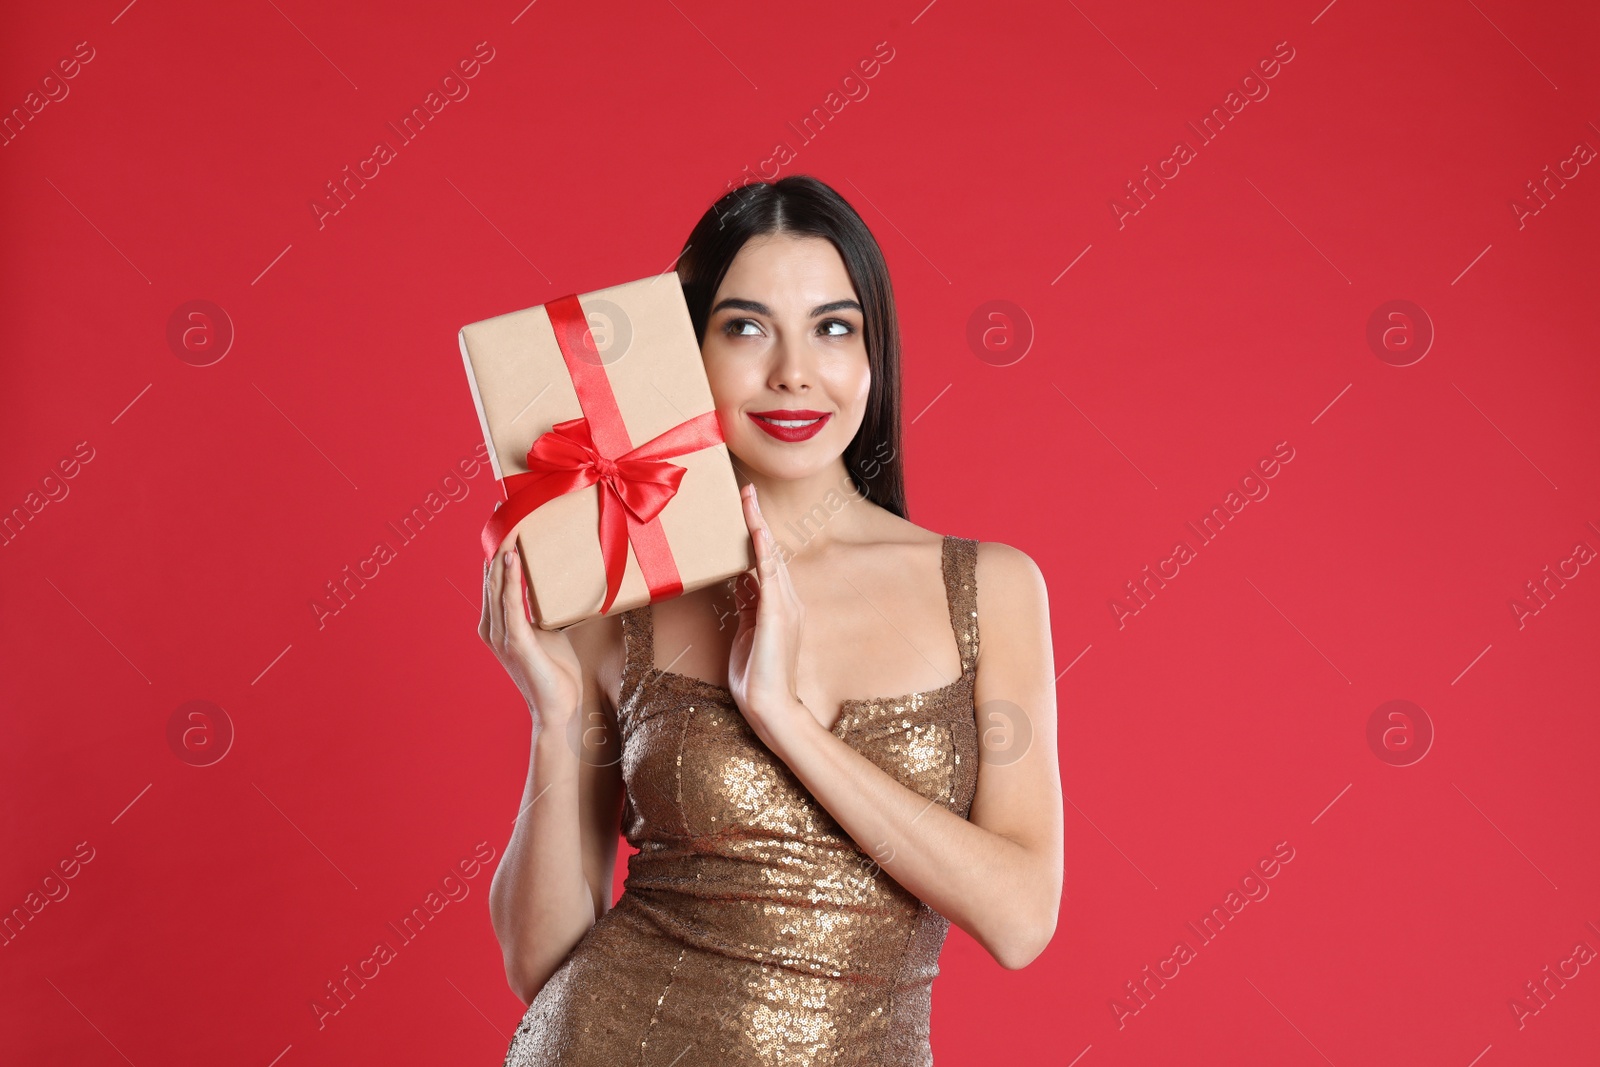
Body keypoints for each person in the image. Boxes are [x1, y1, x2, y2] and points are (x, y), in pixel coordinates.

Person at [480, 175, 1062, 1066]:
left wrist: (783, 718)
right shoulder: (623, 595)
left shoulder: (990, 588)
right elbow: (539, 962)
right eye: (745, 327)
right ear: (689, 355)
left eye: (834, 327)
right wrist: (554, 716)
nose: (793, 370)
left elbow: (1022, 917)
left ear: (874, 357)